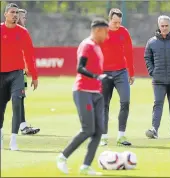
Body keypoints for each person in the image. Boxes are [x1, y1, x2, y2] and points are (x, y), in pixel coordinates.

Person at [56, 19, 110, 176]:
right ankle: (62, 157)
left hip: (96, 92)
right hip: (83, 91)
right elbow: (80, 68)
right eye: (106, 32)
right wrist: (97, 77)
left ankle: (86, 166)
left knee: (99, 130)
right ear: (98, 30)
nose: (107, 36)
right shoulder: (87, 45)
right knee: (88, 129)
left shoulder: (97, 47)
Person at [0, 3, 38, 151]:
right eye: (12, 12)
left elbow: (30, 54)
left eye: (16, 12)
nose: (15, 15)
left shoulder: (23, 32)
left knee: (17, 102)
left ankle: (13, 140)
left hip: (17, 73)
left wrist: (34, 76)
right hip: (1, 75)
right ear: (5, 14)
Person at [100, 8, 135, 146]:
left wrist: (131, 72)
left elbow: (129, 53)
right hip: (104, 73)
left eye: (119, 22)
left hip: (121, 72)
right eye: (115, 22)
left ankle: (121, 136)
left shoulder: (124, 32)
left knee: (125, 102)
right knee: (104, 105)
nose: (117, 25)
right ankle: (103, 136)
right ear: (110, 20)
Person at [17, 8, 40, 135]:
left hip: (21, 72)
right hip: (8, 71)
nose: (24, 19)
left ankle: (23, 126)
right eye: (23, 17)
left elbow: (28, 55)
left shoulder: (23, 33)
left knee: (20, 97)